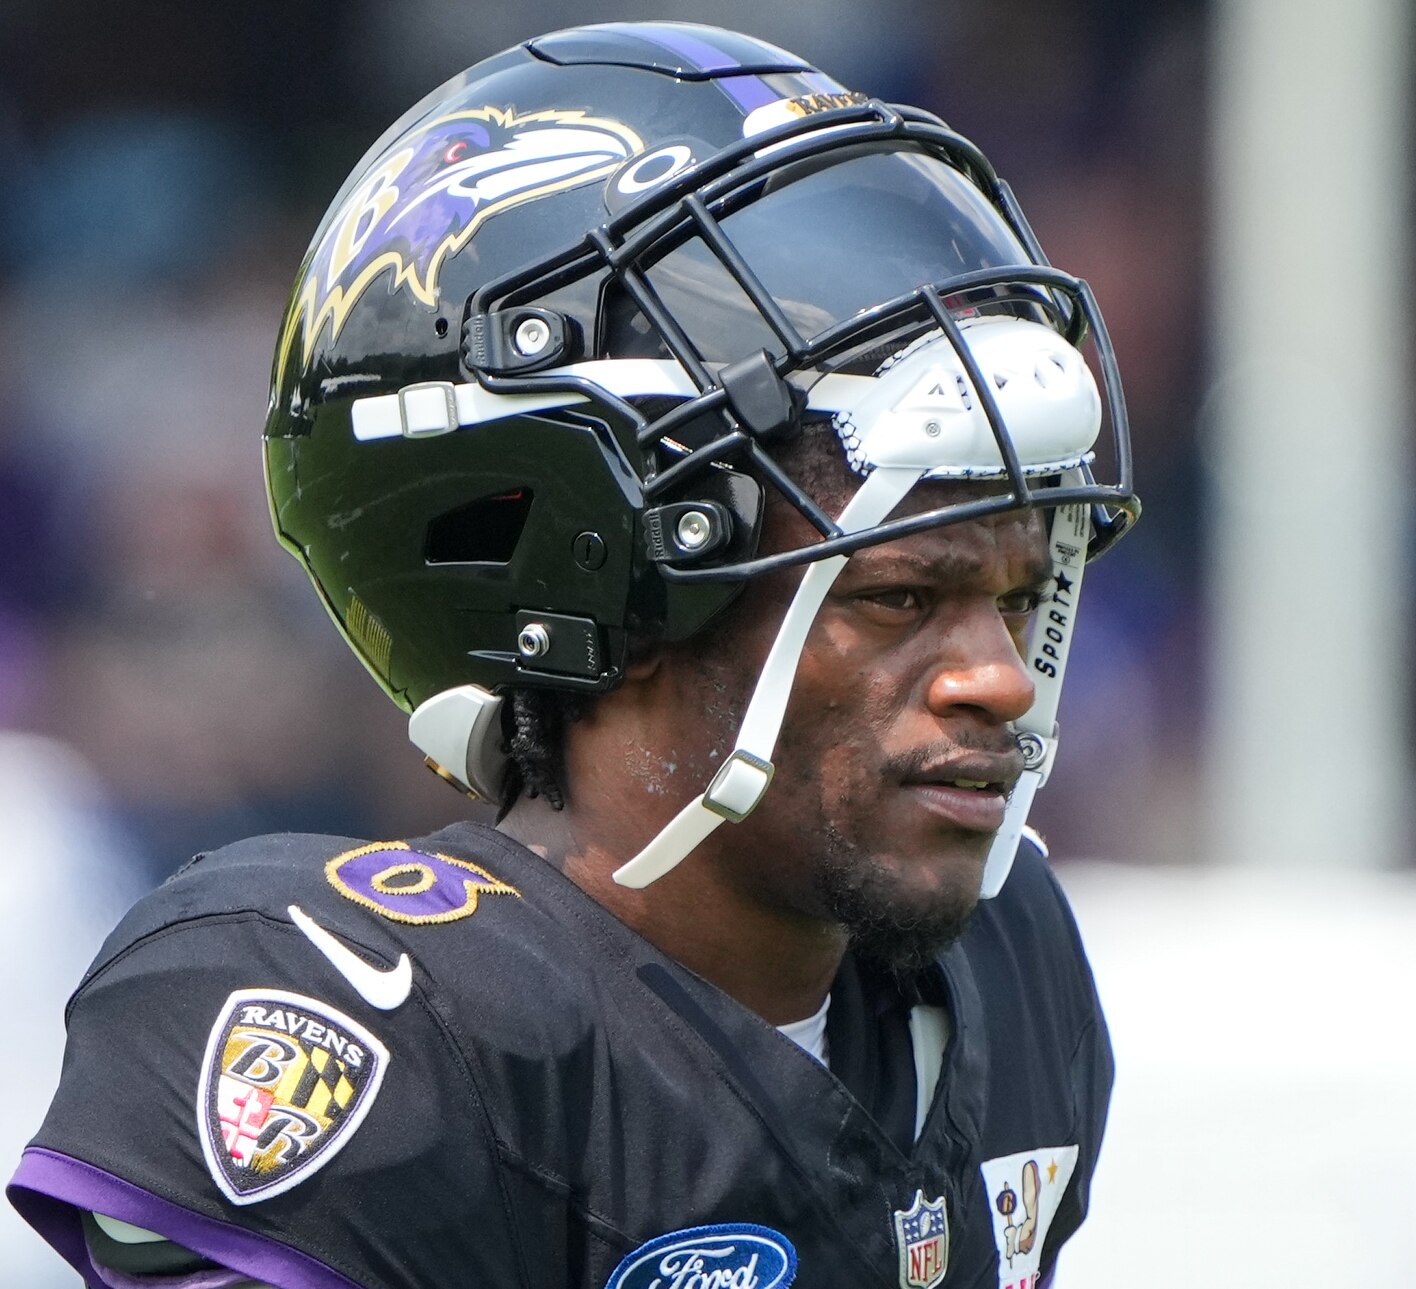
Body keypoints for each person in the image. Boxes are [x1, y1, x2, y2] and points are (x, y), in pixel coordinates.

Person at [6, 21, 1138, 1289]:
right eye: (895, 595)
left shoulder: (1001, 958)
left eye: (1018, 593)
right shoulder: (374, 1013)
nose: (1000, 676)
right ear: (612, 589)